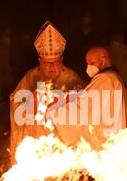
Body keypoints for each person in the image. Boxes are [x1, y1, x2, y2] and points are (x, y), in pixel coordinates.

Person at [49, 46, 127, 181]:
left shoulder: (105, 81)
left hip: (103, 150)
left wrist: (56, 111)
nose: (88, 67)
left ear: (103, 59)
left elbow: (83, 109)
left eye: (90, 62)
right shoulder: (114, 79)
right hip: (110, 147)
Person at [9, 21, 84, 165]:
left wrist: (59, 106)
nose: (51, 67)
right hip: (36, 140)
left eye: (55, 62)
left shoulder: (72, 79)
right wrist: (32, 102)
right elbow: (15, 101)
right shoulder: (30, 77)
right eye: (46, 63)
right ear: (39, 60)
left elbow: (82, 109)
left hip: (62, 143)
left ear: (61, 60)